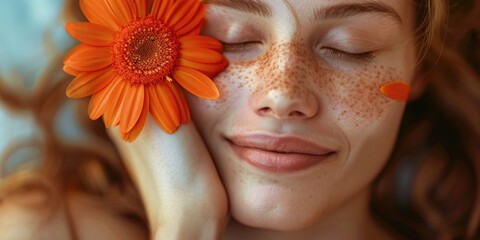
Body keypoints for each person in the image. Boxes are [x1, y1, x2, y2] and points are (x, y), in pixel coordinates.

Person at [0, 0, 479, 239]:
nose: (283, 94)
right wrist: (186, 224)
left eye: (349, 48)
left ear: (422, 67)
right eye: (229, 39)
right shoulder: (47, 228)